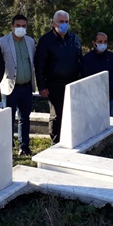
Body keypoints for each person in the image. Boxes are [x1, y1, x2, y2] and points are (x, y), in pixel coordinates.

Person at [34, 10, 82, 144]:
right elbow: (39, 65)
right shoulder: (46, 40)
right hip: (54, 84)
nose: (64, 24)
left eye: (66, 22)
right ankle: (56, 141)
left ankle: (70, 139)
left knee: (72, 113)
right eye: (61, 22)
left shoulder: (74, 38)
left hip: (72, 82)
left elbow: (80, 59)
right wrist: (42, 86)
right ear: (54, 23)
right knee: (57, 114)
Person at [0, 14, 36, 155]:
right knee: (8, 119)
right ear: (12, 26)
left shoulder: (30, 42)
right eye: (18, 25)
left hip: (26, 86)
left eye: (24, 26)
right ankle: (7, 149)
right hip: (10, 87)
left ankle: (24, 147)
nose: (21, 28)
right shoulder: (3, 42)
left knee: (25, 118)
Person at [82, 32, 113, 117]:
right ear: (94, 43)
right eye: (100, 42)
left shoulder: (111, 57)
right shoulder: (87, 59)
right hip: (92, 98)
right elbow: (85, 77)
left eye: (105, 42)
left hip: (108, 96)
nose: (103, 44)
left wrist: (109, 85)